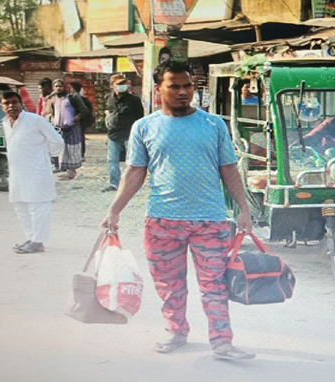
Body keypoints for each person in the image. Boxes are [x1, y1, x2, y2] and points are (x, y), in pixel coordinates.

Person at [100, 61, 255, 360]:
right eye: (175, 86)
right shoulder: (144, 127)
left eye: (188, 86)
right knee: (169, 285)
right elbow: (135, 172)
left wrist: (243, 210)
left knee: (214, 285)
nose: (183, 92)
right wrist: (114, 210)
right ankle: (176, 331)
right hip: (162, 221)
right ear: (159, 89)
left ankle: (222, 342)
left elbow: (229, 170)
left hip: (210, 220)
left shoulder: (213, 125)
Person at [0, 91, 64, 254]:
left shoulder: (36, 120)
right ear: (1, 106)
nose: (11, 106)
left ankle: (38, 241)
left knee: (38, 206)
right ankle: (31, 238)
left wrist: (44, 158)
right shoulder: (6, 123)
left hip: (37, 171)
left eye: (14, 102)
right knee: (20, 206)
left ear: (21, 103)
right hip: (16, 172)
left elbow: (57, 142)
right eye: (6, 103)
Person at [102, 74, 144, 192]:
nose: (122, 86)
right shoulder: (109, 98)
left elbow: (140, 118)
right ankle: (114, 184)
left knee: (131, 161)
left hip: (129, 134)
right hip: (113, 134)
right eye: (119, 84)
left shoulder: (134, 100)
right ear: (112, 86)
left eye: (124, 84)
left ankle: (130, 184)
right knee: (112, 160)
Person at [47, 79, 88, 180]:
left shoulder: (73, 97)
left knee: (72, 149)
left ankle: (71, 172)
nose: (58, 88)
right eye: (56, 86)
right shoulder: (52, 98)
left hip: (72, 128)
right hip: (59, 128)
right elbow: (50, 112)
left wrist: (73, 119)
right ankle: (62, 169)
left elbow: (84, 111)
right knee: (61, 148)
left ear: (64, 87)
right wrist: (52, 120)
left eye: (60, 86)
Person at [69, 81, 93, 161]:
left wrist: (77, 117)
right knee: (80, 137)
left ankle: (80, 154)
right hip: (81, 121)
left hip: (78, 121)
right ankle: (80, 154)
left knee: (79, 138)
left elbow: (84, 110)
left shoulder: (75, 97)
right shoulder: (77, 97)